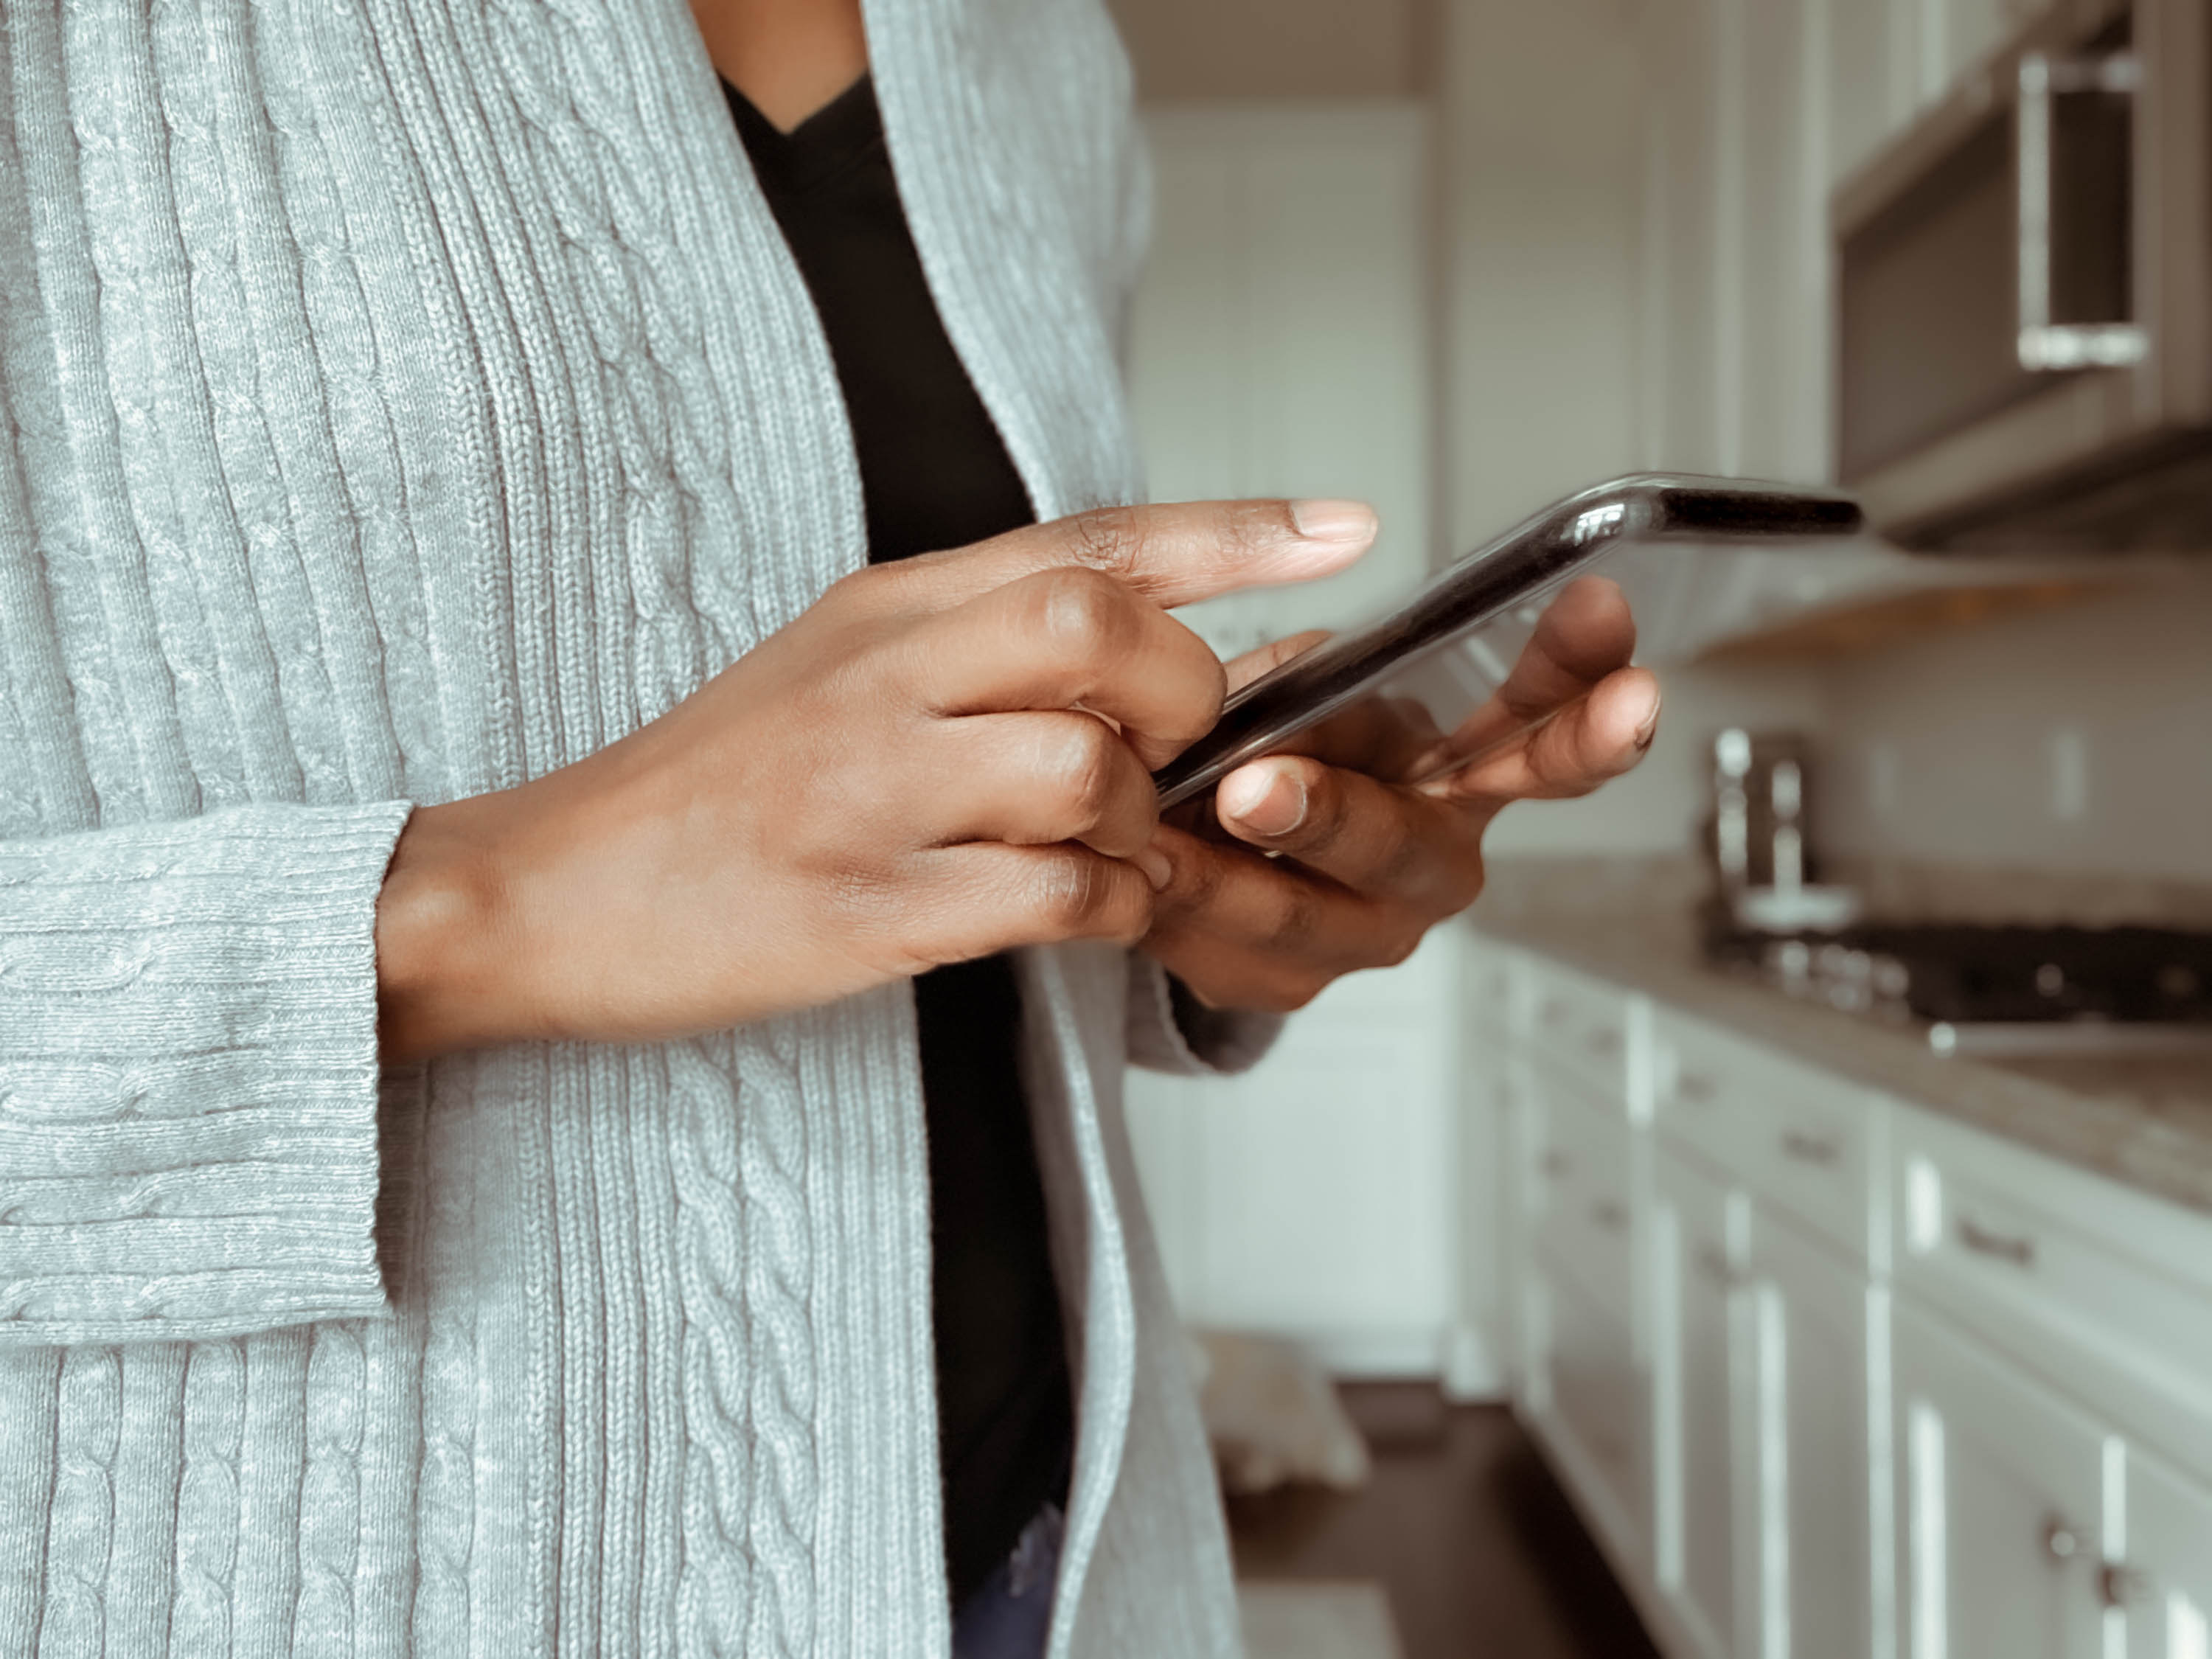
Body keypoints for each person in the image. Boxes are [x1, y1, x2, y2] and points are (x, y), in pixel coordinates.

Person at [0, 0, 1658, 1655]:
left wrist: (1199, 860)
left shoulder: (1042, 51)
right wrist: (486, 905)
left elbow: (921, 853)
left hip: (1048, 1547)